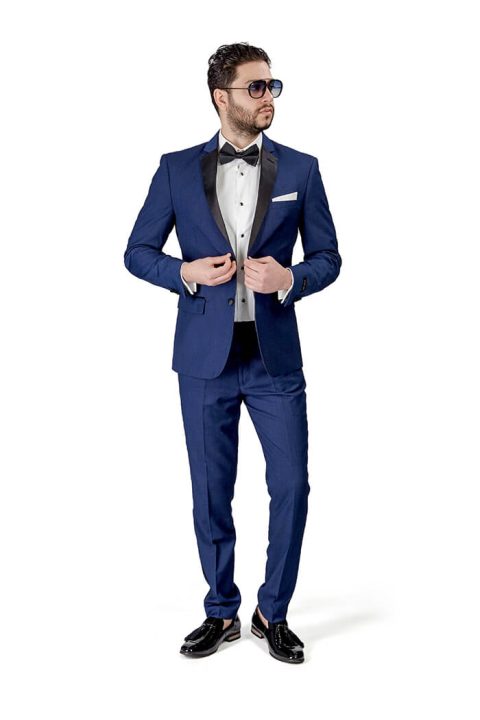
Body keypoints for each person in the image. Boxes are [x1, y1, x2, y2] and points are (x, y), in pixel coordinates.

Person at [124, 42, 342, 664]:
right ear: (222, 97)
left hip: (275, 359)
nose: (269, 96)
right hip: (203, 359)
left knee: (292, 485)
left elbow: (329, 257)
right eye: (256, 87)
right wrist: (185, 272)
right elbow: (137, 252)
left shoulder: (301, 169)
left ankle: (273, 611)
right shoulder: (175, 169)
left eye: (273, 85)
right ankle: (220, 611)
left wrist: (291, 278)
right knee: (210, 489)